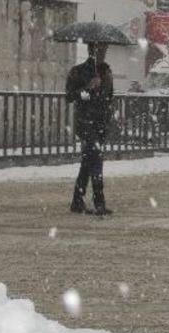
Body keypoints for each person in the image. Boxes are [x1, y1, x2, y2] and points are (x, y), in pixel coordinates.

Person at [66, 42, 114, 216]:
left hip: (100, 123)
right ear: (92, 50)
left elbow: (109, 98)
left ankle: (77, 201)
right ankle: (99, 202)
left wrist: (108, 119)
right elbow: (69, 96)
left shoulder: (107, 72)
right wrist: (87, 88)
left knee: (88, 162)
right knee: (96, 160)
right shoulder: (78, 71)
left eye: (105, 50)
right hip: (85, 123)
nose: (103, 53)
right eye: (100, 49)